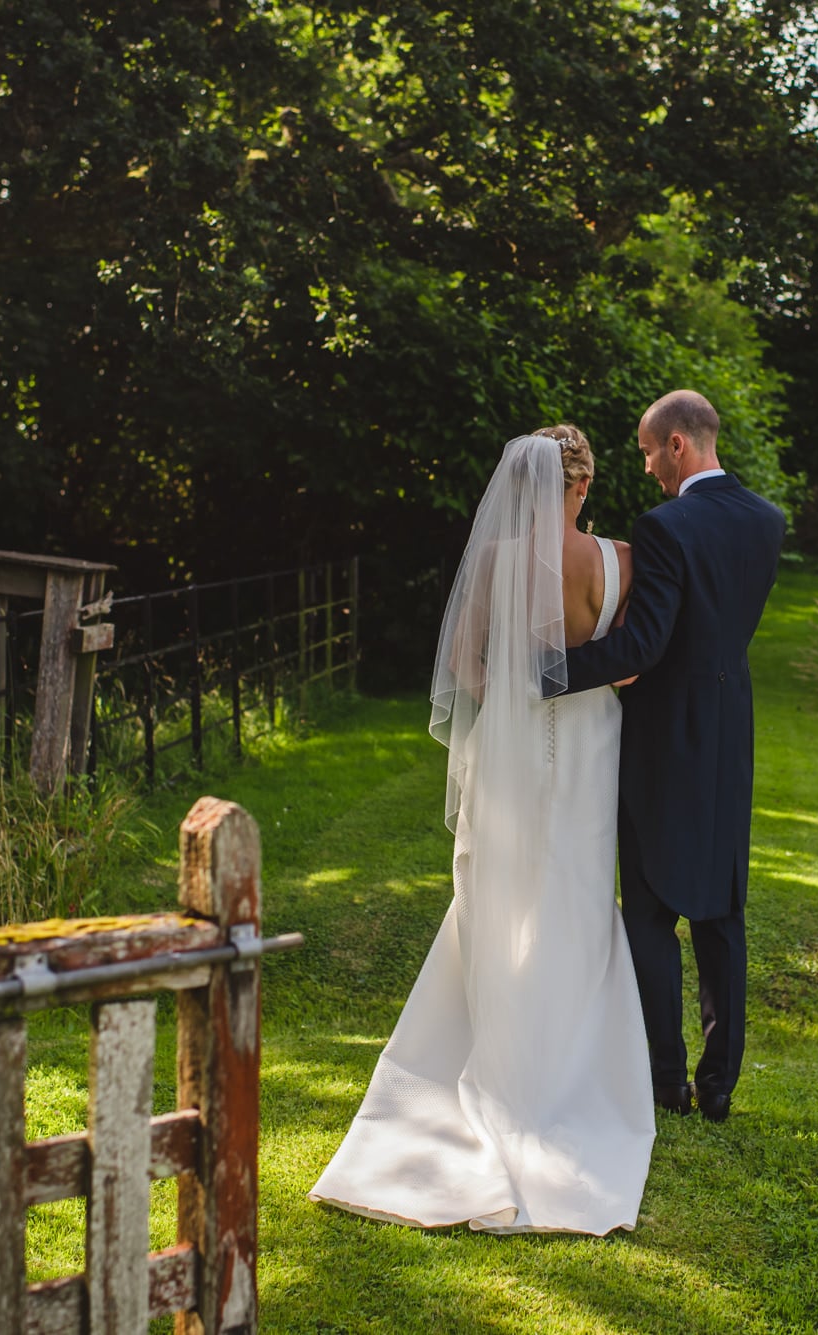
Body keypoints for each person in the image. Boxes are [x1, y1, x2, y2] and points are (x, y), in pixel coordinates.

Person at [307, 426, 655, 1235]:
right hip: (590, 748)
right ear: (583, 485)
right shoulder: (621, 558)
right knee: (572, 885)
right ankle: (567, 1071)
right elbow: (631, 665)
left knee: (499, 886)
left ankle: (486, 1043)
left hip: (508, 747)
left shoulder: (495, 560)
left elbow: (465, 669)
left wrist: (508, 696)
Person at [550, 389, 786, 1122]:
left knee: (649, 913)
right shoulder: (766, 521)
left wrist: (544, 672)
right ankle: (718, 1086)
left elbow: (643, 646)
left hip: (660, 738)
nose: (648, 468)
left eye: (651, 452)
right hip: (729, 733)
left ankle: (666, 1083)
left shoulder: (664, 526)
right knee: (722, 913)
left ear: (677, 445)